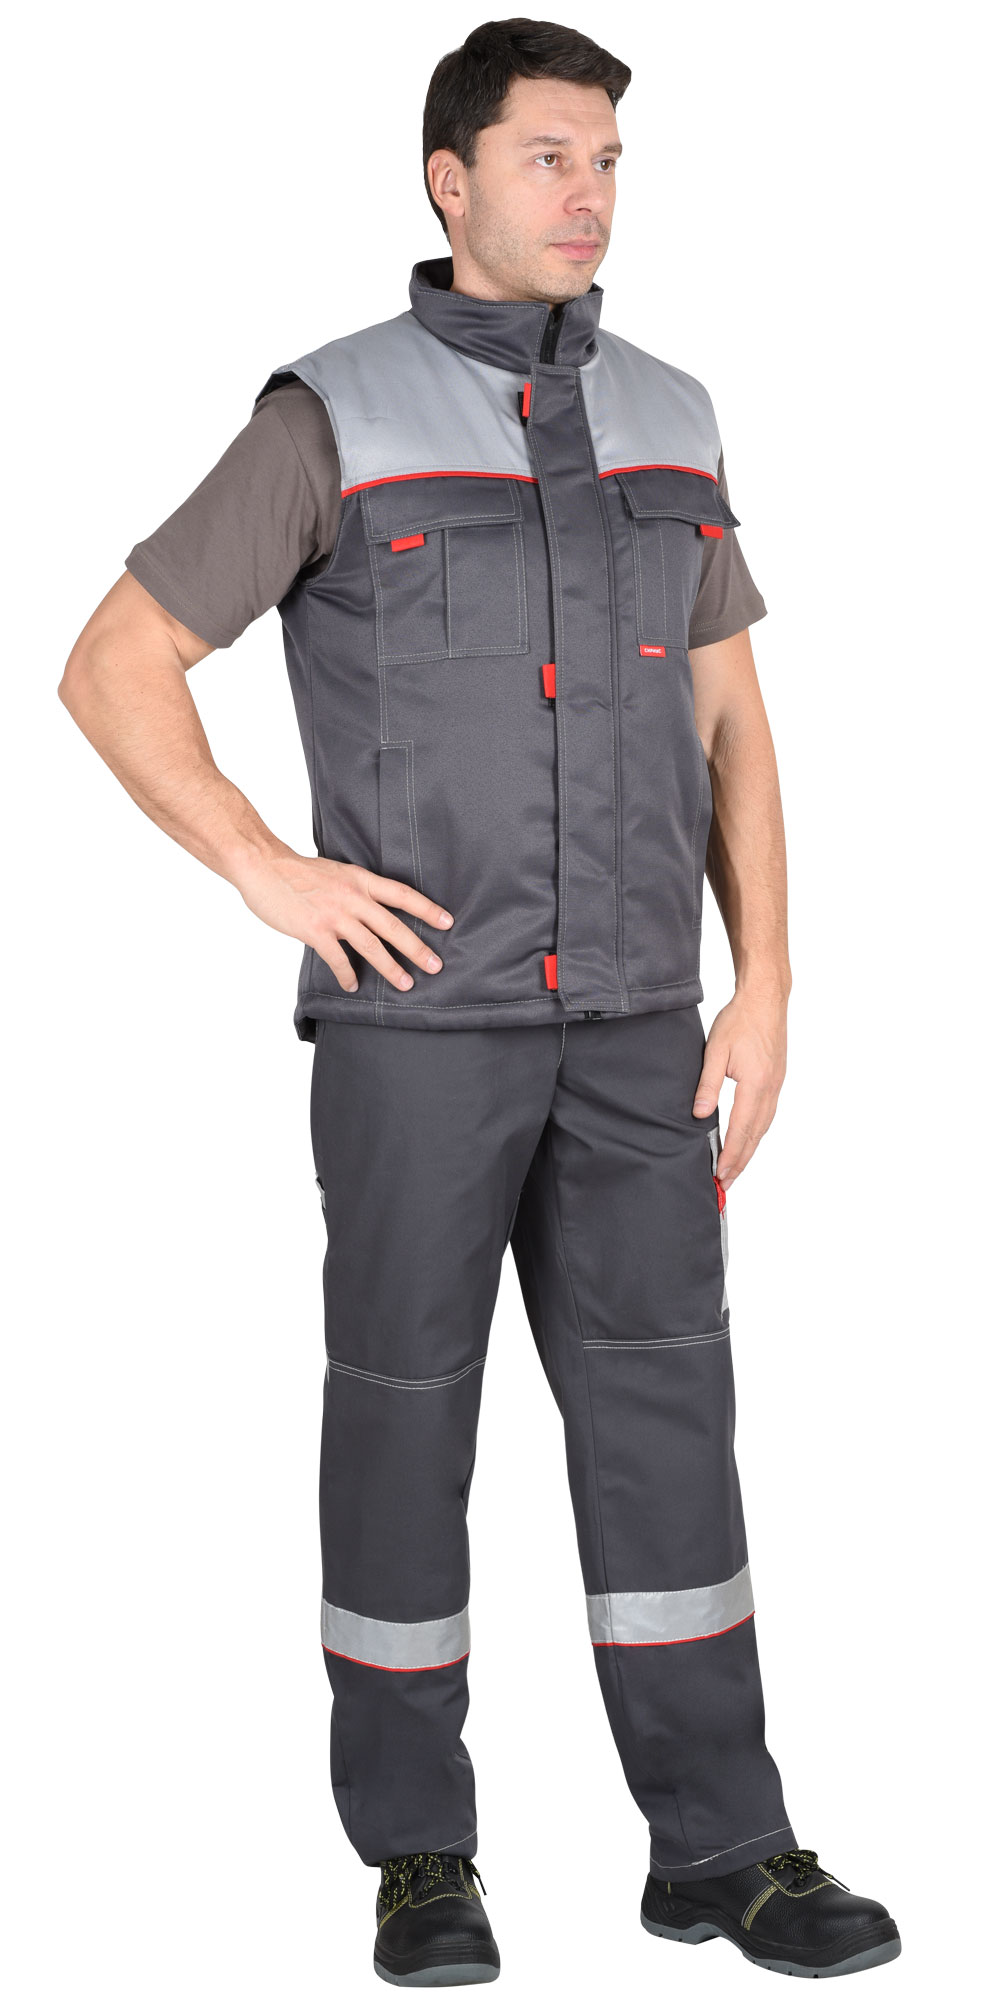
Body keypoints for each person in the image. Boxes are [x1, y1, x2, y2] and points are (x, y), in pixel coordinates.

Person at [58, 17, 901, 1988]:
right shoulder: (332, 416)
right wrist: (268, 868)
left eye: (606, 160)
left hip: (640, 1028)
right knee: (402, 1422)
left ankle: (722, 1846)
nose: (587, 195)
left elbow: (731, 722)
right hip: (417, 1035)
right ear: (449, 180)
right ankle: (418, 1854)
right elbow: (115, 661)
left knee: (669, 1429)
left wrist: (767, 978)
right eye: (547, 158)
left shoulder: (675, 413)